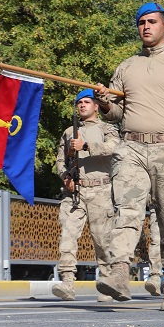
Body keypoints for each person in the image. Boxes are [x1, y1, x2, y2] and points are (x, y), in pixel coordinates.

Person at [93, 1, 164, 311]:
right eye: (141, 22)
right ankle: (118, 272)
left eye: (152, 21)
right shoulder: (126, 66)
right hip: (131, 148)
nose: (146, 26)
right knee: (126, 211)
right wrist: (104, 103)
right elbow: (116, 113)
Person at [52, 89, 119, 301]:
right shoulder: (68, 131)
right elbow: (60, 160)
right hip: (75, 193)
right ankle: (67, 283)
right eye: (79, 102)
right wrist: (65, 177)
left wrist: (87, 146)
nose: (82, 105)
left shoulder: (107, 128)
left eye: (87, 102)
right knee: (68, 236)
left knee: (103, 240)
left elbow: (115, 148)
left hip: (100, 190)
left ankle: (108, 282)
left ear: (96, 106)